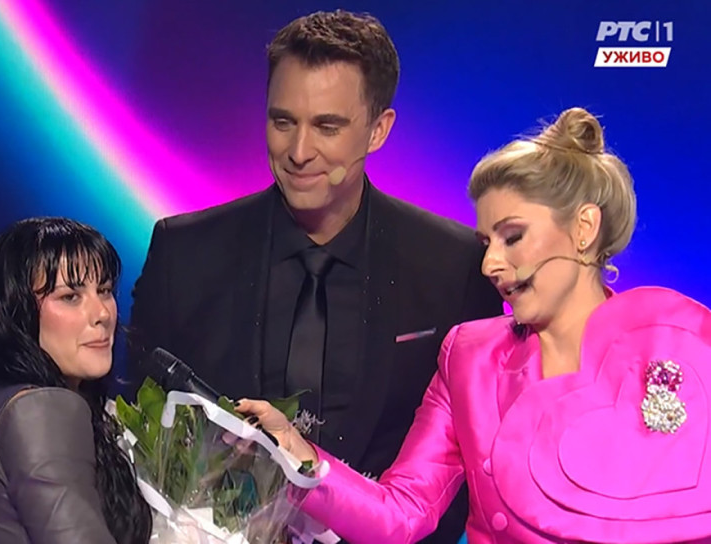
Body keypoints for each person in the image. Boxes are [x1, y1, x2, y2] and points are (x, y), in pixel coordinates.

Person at [235, 107, 711, 543]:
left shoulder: (680, 342)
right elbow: (401, 513)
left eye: (513, 237)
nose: (490, 265)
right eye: (486, 243)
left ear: (584, 229)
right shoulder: (470, 359)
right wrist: (296, 455)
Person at [125, 9, 503, 543]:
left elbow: (472, 457)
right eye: (283, 122)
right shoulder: (183, 253)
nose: (299, 152)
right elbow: (140, 432)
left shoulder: (454, 266)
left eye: (327, 126)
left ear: (378, 130)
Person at [0, 217, 152, 544]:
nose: (103, 313)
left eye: (105, 291)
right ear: (18, 311)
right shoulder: (38, 410)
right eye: (70, 296)